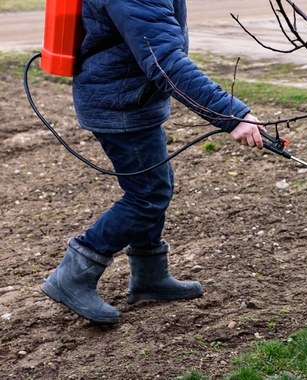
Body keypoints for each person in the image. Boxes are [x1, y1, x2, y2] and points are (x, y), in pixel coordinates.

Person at [40, 0, 266, 324]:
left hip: (129, 97)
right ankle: (73, 275)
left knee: (155, 187)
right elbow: (164, 62)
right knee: (147, 195)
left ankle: (149, 276)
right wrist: (232, 114)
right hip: (120, 105)